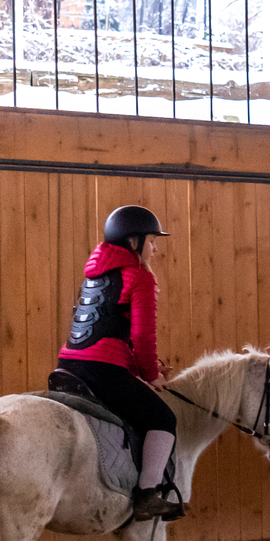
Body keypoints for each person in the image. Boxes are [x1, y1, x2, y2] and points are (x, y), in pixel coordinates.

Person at [58, 205, 184, 521]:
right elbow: (142, 335)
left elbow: (105, 327)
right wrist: (151, 375)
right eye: (151, 241)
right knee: (163, 419)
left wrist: (143, 366)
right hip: (103, 369)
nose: (154, 249)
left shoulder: (94, 274)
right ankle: (146, 496)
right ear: (133, 242)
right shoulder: (139, 276)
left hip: (70, 363)